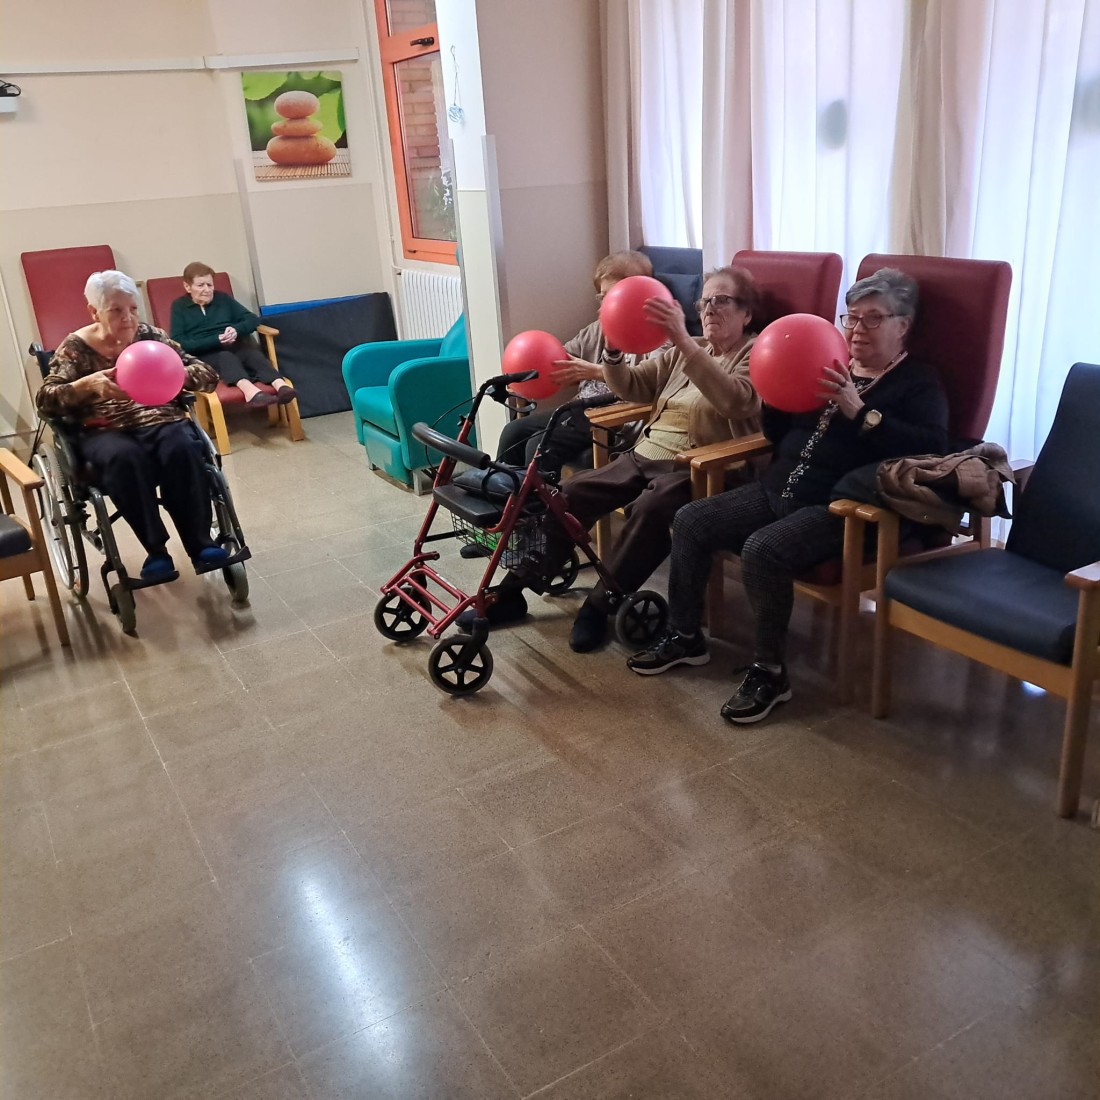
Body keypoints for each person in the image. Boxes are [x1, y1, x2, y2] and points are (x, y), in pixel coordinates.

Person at [627, 268, 949, 724]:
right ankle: (685, 636)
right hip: (776, 487)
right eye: (852, 318)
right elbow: (780, 434)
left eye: (873, 319)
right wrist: (777, 396)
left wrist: (860, 412)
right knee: (691, 519)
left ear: (903, 325)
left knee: (764, 550)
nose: (857, 329)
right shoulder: (828, 360)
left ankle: (770, 671)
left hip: (840, 508)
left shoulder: (918, 383)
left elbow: (931, 450)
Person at [466, 265, 763, 653]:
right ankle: (511, 592)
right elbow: (633, 386)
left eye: (721, 301)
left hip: (702, 468)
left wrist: (682, 341)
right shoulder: (686, 350)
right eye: (704, 301)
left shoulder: (755, 354)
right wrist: (613, 351)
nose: (709, 309)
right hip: (645, 453)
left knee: (652, 507)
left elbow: (735, 401)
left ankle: (599, 606)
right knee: (569, 494)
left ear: (747, 314)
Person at [36, 270, 230, 580]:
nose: (128, 318)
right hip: (104, 429)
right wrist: (88, 385)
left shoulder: (151, 337)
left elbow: (207, 375)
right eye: (116, 310)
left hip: (161, 419)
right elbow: (45, 400)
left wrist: (174, 373)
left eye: (133, 309)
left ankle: (201, 544)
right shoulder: (75, 347)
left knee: (182, 446)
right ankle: (156, 552)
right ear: (94, 312)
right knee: (123, 457)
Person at [495, 250, 655, 476]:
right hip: (579, 410)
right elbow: (560, 358)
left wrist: (594, 372)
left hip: (612, 420)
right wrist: (525, 374)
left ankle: (537, 499)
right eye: (602, 296)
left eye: (613, 295)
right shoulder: (597, 330)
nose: (604, 305)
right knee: (513, 432)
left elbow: (651, 384)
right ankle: (501, 494)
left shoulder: (657, 338)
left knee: (538, 445)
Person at [169, 261, 296, 407]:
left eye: (210, 285)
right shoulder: (179, 307)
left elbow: (252, 319)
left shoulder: (222, 299)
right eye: (200, 285)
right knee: (226, 357)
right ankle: (251, 393)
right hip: (204, 354)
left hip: (234, 346)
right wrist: (216, 340)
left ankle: (281, 386)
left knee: (251, 354)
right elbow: (178, 342)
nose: (207, 290)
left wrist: (236, 329)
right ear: (187, 286)